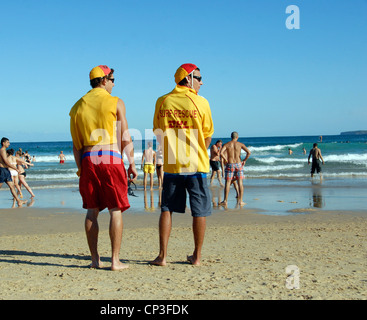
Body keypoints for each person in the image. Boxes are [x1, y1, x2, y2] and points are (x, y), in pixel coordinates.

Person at [69, 65, 137, 271]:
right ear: (104, 80)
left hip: (89, 157)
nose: (114, 84)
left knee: (92, 210)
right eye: (113, 80)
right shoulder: (115, 102)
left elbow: (76, 145)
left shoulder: (77, 106)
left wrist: (82, 169)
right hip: (110, 157)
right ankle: (115, 261)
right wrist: (132, 162)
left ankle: (95, 260)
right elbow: (125, 135)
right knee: (116, 210)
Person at [151, 63, 214, 266]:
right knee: (199, 211)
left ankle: (162, 256)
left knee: (167, 208)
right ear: (188, 78)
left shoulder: (163, 101)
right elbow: (207, 137)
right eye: (198, 78)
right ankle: (197, 256)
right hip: (196, 165)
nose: (201, 82)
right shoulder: (200, 102)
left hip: (173, 165)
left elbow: (158, 133)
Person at [0, 137, 27, 209]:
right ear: (3, 143)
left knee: (12, 186)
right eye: (8, 142)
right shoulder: (2, 151)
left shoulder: (4, 151)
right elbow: (6, 162)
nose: (9, 144)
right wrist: (15, 168)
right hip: (2, 171)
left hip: (6, 170)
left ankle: (18, 201)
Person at [220, 131, 251, 207]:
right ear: (237, 137)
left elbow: (221, 153)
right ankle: (241, 201)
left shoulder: (227, 144)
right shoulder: (240, 144)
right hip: (238, 164)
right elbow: (249, 152)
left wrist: (225, 159)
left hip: (230, 164)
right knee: (240, 182)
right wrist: (244, 160)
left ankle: (225, 201)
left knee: (227, 182)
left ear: (231, 137)